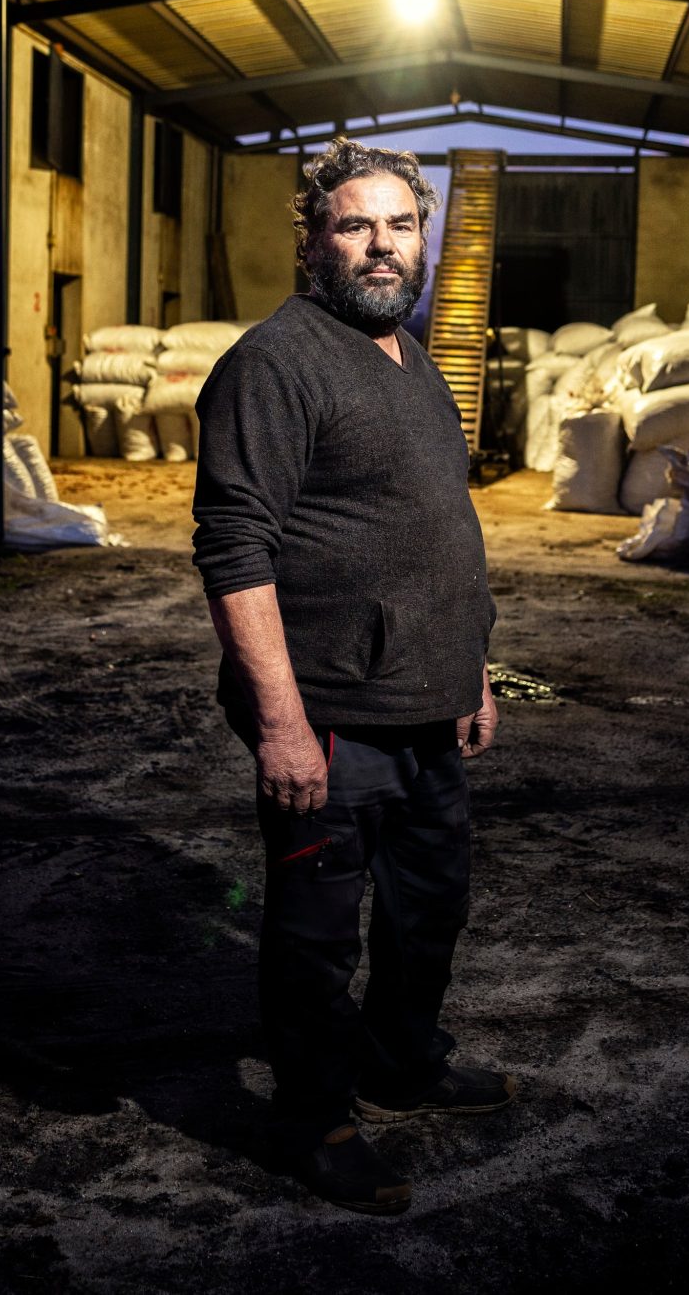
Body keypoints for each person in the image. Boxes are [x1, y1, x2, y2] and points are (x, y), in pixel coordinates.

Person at [191, 138, 516, 1216]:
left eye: (400, 225)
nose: (382, 246)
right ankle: (314, 1120)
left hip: (428, 704)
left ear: (424, 240)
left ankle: (402, 1063)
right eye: (355, 224)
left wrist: (473, 668)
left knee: (430, 907)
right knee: (316, 933)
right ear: (312, 239)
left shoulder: (411, 360)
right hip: (330, 712)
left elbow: (438, 527)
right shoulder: (274, 363)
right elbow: (234, 546)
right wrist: (279, 722)